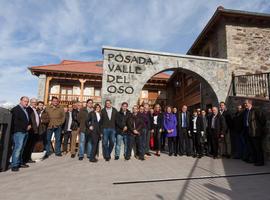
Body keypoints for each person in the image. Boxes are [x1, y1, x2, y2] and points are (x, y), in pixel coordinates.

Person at [10, 96, 31, 171]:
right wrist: (26, 126)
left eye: (27, 101)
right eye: (25, 101)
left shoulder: (25, 109)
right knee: (18, 148)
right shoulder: (16, 109)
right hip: (19, 132)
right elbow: (15, 122)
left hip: (25, 132)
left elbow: (27, 120)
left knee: (21, 148)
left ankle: (19, 163)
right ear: (21, 101)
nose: (26, 103)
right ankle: (14, 165)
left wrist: (29, 125)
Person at [243, 99, 266, 166]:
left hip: (255, 132)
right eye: (245, 103)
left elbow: (263, 120)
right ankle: (254, 159)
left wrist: (258, 128)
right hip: (248, 131)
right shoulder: (246, 111)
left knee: (257, 147)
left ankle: (260, 161)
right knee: (251, 147)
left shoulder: (255, 110)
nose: (245, 104)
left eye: (246, 103)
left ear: (250, 103)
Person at [23, 98, 40, 164]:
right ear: (30, 102)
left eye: (35, 102)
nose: (34, 103)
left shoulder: (35, 110)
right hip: (30, 130)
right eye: (33, 102)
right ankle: (24, 159)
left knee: (31, 145)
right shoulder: (28, 109)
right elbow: (28, 119)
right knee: (27, 145)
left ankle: (28, 158)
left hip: (35, 130)